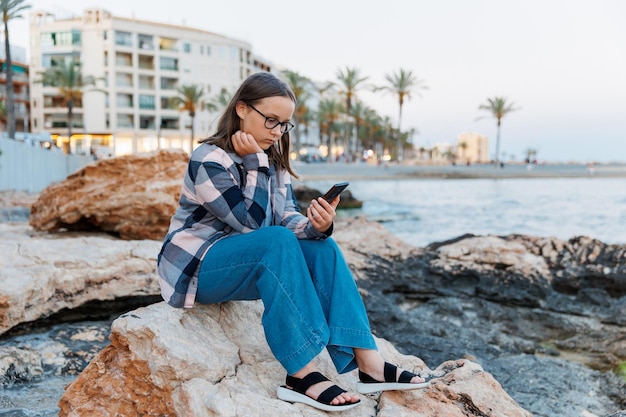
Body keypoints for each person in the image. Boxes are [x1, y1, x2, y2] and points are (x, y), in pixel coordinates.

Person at [157, 72, 429, 412]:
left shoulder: (274, 160)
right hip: (198, 267)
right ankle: (301, 375)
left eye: (284, 124)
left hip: (246, 262)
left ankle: (370, 363)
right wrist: (255, 164)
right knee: (276, 241)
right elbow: (251, 224)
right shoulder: (210, 158)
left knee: (322, 247)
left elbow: (285, 216)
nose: (277, 132)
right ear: (242, 109)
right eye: (271, 120)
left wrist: (317, 225)